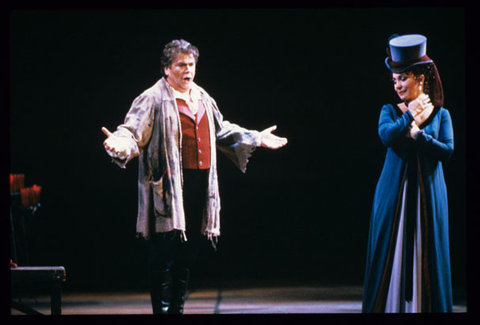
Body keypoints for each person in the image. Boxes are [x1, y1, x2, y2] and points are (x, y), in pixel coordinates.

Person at [101, 39, 287, 314]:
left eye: (192, 65)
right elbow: (131, 132)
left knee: (187, 255)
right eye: (181, 65)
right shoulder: (152, 97)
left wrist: (256, 137)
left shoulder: (202, 96)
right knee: (163, 254)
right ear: (167, 69)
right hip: (168, 188)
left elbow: (221, 130)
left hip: (200, 185)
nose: (188, 70)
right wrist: (119, 143)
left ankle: (176, 310)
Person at [362, 34, 454, 313]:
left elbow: (447, 151)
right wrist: (409, 116)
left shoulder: (441, 114)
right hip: (395, 197)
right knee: (392, 248)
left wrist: (421, 136)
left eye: (403, 79)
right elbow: (386, 136)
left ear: (420, 79)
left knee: (426, 248)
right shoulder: (390, 110)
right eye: (394, 81)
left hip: (428, 194)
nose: (398, 85)